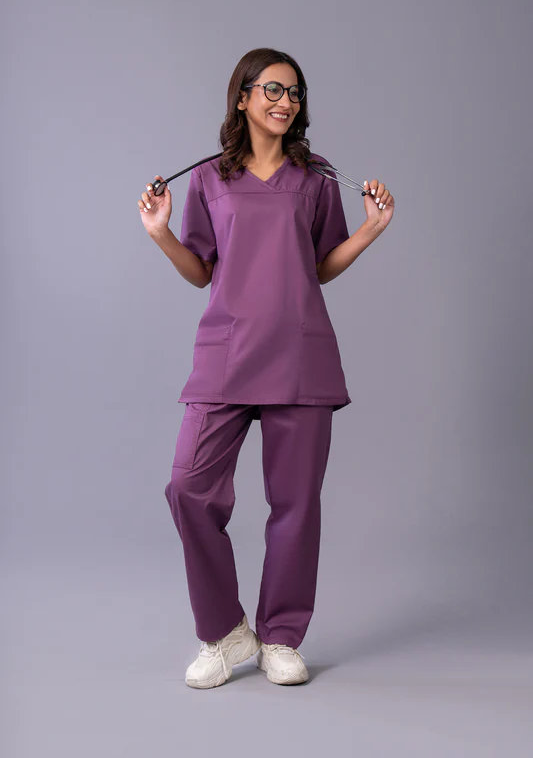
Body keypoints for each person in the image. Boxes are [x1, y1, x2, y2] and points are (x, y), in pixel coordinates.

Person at [138, 48, 395, 689]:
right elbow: (201, 271)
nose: (287, 102)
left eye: (296, 93)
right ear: (243, 96)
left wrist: (370, 230)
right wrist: (161, 232)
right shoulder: (207, 179)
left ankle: (280, 636)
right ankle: (226, 633)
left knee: (296, 505)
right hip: (226, 354)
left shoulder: (315, 180)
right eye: (274, 90)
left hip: (300, 356)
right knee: (187, 488)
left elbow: (319, 266)